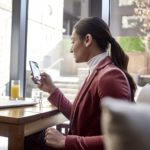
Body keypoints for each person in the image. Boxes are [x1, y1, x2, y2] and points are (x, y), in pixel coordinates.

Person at [25, 17, 136, 150]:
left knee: (27, 140)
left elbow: (121, 137)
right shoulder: (96, 72)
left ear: (87, 40)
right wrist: (52, 90)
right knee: (31, 136)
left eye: (73, 41)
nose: (71, 49)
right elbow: (80, 117)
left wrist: (66, 142)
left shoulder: (110, 76)